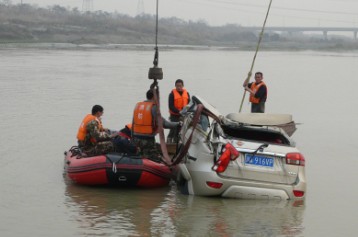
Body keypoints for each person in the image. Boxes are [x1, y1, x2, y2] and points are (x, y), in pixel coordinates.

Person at [132, 89, 180, 161]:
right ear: (154, 97)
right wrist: (178, 124)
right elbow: (164, 124)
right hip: (147, 140)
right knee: (154, 158)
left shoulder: (138, 106)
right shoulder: (153, 107)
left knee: (139, 156)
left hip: (135, 139)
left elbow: (133, 124)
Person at [167, 79, 190, 143]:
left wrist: (186, 112)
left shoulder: (187, 94)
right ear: (175, 86)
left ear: (183, 86)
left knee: (181, 130)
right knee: (173, 129)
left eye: (180, 86)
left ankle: (177, 143)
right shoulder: (172, 94)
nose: (179, 87)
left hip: (183, 115)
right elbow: (170, 106)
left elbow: (189, 105)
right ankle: (169, 142)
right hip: (174, 115)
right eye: (177, 86)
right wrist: (178, 111)